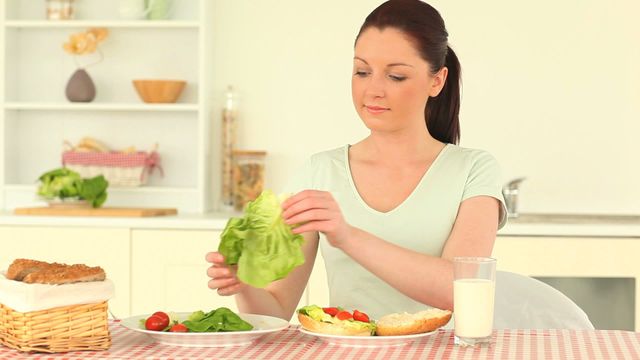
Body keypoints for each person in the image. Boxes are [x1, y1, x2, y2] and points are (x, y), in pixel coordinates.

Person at [205, 0, 507, 321]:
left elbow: (459, 288)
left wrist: (347, 236)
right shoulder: (319, 172)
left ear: (437, 81)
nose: (373, 90)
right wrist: (244, 286)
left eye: (396, 76)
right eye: (362, 72)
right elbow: (276, 310)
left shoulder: (473, 170)